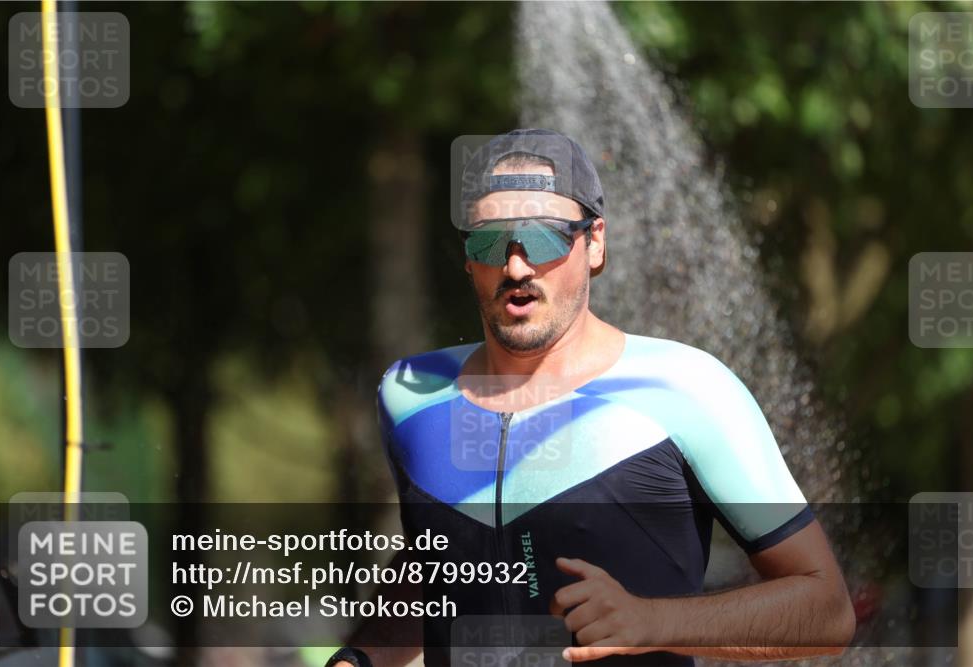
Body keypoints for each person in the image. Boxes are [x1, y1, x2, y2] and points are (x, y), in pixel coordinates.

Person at [327, 129, 855, 667]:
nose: (516, 267)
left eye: (544, 238)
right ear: (467, 256)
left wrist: (653, 623)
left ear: (595, 241)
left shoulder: (688, 389)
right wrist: (358, 659)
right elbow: (441, 571)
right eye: (489, 240)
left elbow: (827, 610)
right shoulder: (410, 396)